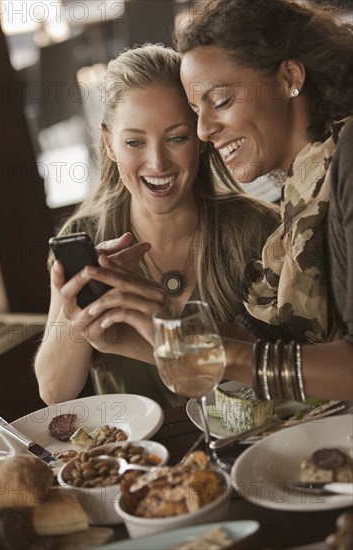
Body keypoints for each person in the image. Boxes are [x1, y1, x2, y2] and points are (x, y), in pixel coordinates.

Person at [83, 0, 352, 402]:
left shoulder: (348, 161)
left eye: (220, 101)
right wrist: (130, 333)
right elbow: (274, 344)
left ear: (288, 79)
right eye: (196, 111)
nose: (204, 131)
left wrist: (190, 341)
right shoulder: (303, 194)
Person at [34, 44, 279, 408]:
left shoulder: (260, 230)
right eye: (134, 142)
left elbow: (282, 368)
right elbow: (54, 391)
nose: (157, 162)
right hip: (136, 460)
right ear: (109, 145)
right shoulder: (83, 238)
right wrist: (77, 320)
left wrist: (149, 334)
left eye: (176, 137)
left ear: (200, 138)